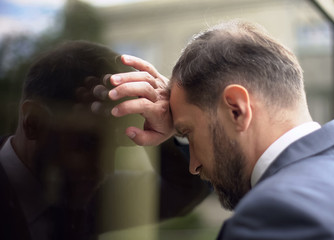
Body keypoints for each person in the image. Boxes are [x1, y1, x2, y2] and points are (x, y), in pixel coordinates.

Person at [109, 20, 334, 239]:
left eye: (189, 133)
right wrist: (182, 117)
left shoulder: (270, 217)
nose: (193, 165)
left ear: (237, 108)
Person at [0, 40, 210, 240]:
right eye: (87, 143)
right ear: (33, 122)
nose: (105, 168)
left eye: (113, 146)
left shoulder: (83, 191)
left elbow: (186, 190)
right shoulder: (77, 187)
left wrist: (164, 123)